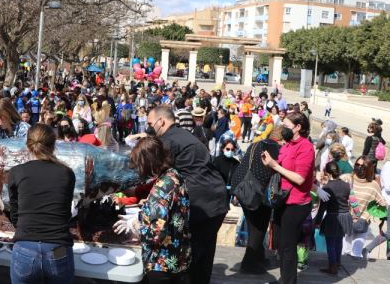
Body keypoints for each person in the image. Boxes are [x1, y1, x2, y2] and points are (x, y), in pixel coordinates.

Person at [146, 106, 228, 284]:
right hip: (216, 200)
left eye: (150, 124)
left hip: (201, 204)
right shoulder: (184, 134)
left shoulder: (168, 140)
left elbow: (155, 173)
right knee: (204, 253)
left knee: (189, 256)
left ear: (161, 121)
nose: (150, 128)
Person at [113, 136, 191, 283]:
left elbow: (155, 233)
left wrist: (134, 225)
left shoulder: (162, 186)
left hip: (162, 262)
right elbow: (168, 213)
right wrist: (142, 215)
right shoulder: (174, 174)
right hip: (179, 255)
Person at [8, 124, 76, 284]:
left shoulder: (16, 172)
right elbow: (65, 212)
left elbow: (14, 213)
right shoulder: (66, 173)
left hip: (25, 247)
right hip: (58, 248)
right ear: (53, 144)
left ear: (27, 145)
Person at [261, 112, 314, 284]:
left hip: (296, 203)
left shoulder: (305, 147)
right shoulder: (287, 145)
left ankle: (289, 281)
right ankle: (285, 278)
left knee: (287, 246)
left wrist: (275, 165)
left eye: (286, 125)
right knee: (281, 244)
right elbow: (281, 171)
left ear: (298, 127)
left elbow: (300, 178)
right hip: (282, 200)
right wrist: (270, 164)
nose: (283, 129)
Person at [231, 126, 282, 274]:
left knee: (252, 223)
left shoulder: (256, 144)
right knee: (259, 227)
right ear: (281, 139)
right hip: (257, 191)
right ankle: (249, 263)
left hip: (241, 186)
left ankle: (259, 257)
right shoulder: (276, 148)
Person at [343, 156, 388, 258]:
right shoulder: (347, 179)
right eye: (357, 165)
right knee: (344, 252)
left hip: (362, 222)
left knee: (356, 254)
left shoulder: (373, 185)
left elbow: (381, 202)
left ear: (368, 168)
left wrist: (375, 211)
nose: (359, 167)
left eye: (362, 166)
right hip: (347, 219)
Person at [314, 161, 352, 275]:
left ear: (327, 172)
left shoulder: (327, 187)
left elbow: (323, 207)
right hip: (345, 216)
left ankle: (332, 266)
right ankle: (338, 262)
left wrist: (317, 221)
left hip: (332, 217)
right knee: (339, 241)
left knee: (330, 243)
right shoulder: (346, 185)